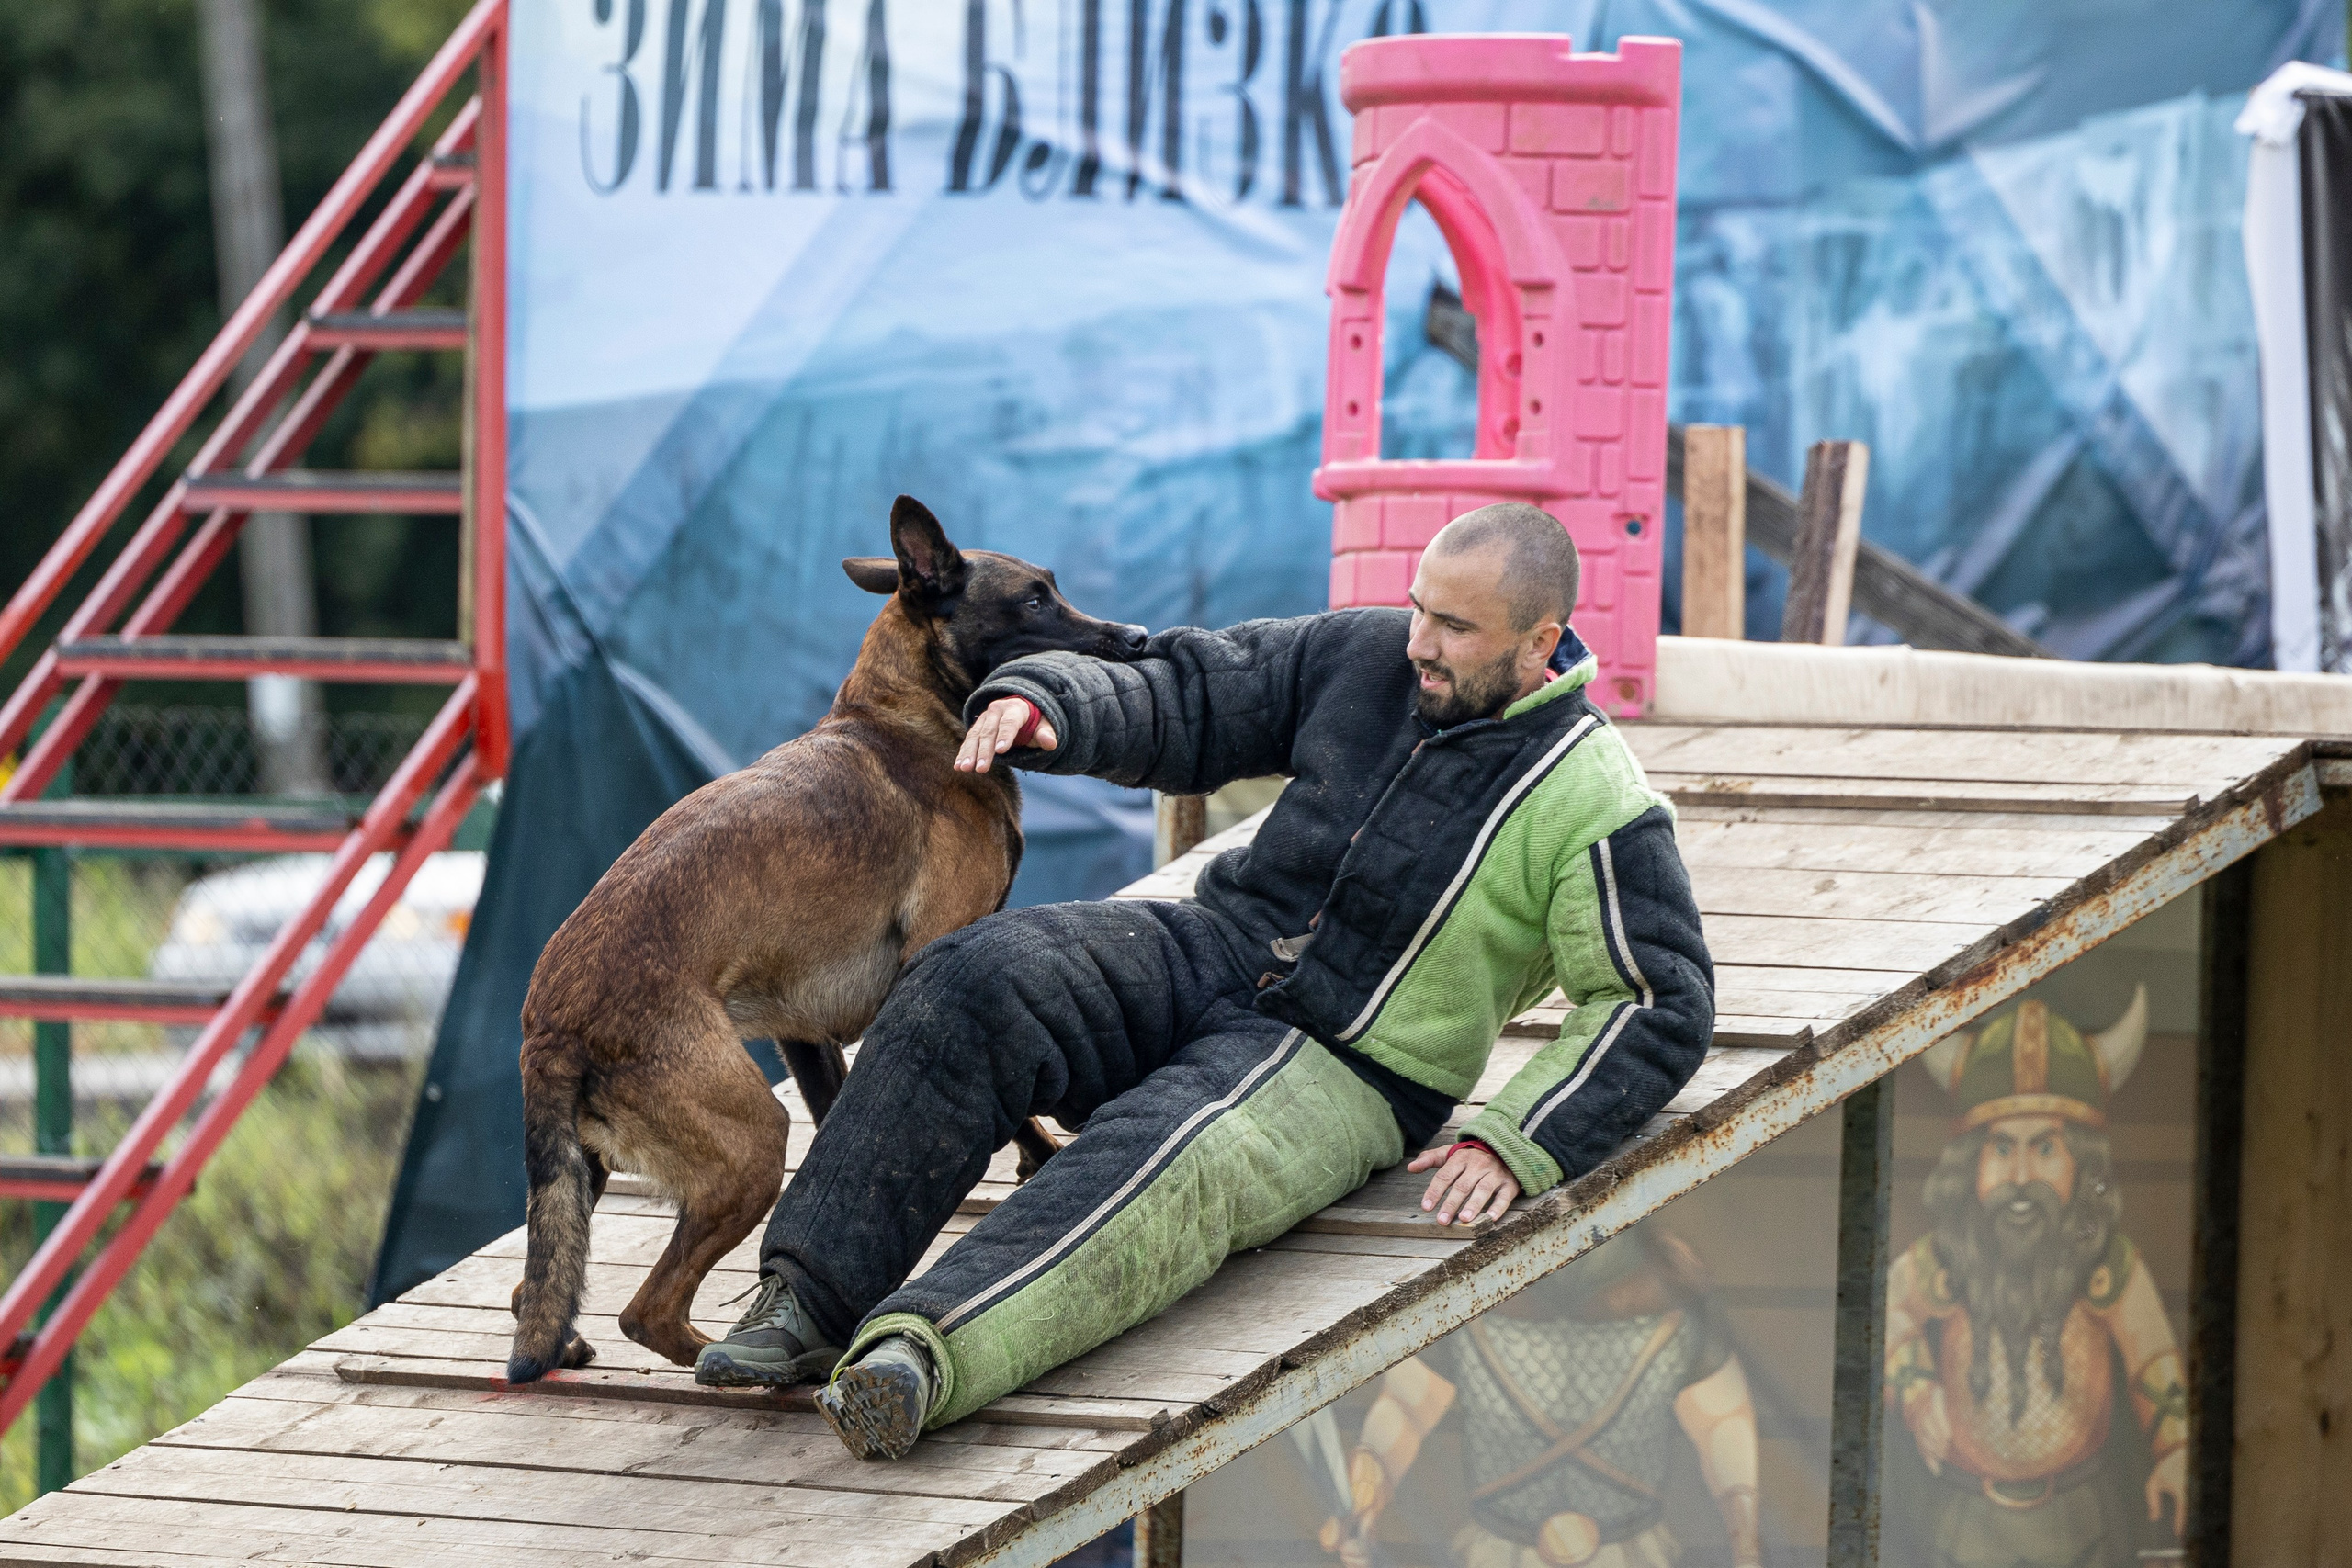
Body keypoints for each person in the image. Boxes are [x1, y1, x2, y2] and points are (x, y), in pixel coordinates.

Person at [693, 502, 1716, 1461]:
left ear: (1541, 643)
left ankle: (917, 1357)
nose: (1417, 642)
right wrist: (1047, 701)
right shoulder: (1366, 655)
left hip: (1350, 1062)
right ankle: (806, 1303)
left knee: (1172, 1152)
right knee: (976, 974)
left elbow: (1654, 996)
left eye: (1454, 627)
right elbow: (1192, 688)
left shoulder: (1593, 795)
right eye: (1417, 608)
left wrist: (1522, 1137)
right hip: (1218, 948)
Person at [1884, 992, 2187, 1568]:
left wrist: (2175, 1449)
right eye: (2002, 1148)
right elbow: (1886, 1316)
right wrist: (1917, 1388)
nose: (2021, 1177)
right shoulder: (1943, 1260)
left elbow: (2156, 1363)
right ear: (1972, 1163)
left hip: (2083, 1520)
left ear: (2082, 1163)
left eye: (2045, 1148)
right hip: (1962, 1521)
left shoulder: (2108, 1264)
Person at [1319, 1224, 1763, 1568]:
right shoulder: (1465, 1291)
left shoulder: (1671, 1287)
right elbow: (1405, 1408)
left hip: (1628, 1553)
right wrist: (1364, 1502)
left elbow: (1722, 1422)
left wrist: (1745, 1543)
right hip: (1499, 1550)